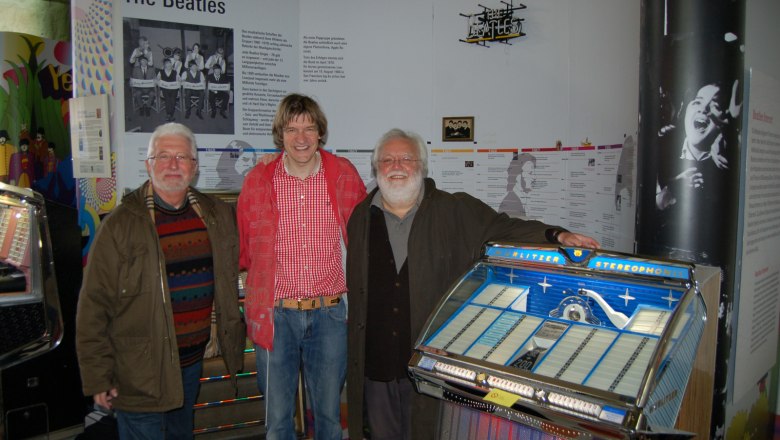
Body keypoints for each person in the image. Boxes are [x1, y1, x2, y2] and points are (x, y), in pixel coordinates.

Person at [345, 128, 599, 440]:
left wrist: (557, 236)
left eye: (406, 158)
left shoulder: (455, 210)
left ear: (421, 167)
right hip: (377, 365)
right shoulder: (360, 217)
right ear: (376, 168)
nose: (396, 166)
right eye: (387, 160)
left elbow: (504, 227)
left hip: (429, 367)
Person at [76, 122, 246, 439]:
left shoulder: (216, 215)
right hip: (140, 369)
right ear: (148, 163)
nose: (172, 165)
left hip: (190, 364)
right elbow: (92, 306)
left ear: (194, 167)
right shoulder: (120, 225)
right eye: (163, 156)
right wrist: (98, 376)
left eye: (181, 157)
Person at [237, 93, 366, 439]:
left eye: (309, 128)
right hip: (275, 315)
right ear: (280, 134)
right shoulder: (258, 181)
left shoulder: (344, 176)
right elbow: (245, 249)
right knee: (278, 421)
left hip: (330, 316)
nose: (301, 138)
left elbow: (365, 241)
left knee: (328, 418)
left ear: (320, 133)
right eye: (292, 129)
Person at [499, 152, 536, 218]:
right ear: (517, 176)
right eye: (530, 173)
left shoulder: (520, 200)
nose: (534, 177)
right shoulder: (509, 205)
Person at [157, 57, 181, 122]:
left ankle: (170, 115)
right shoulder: (160, 72)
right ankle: (169, 114)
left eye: (170, 63)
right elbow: (158, 82)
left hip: (174, 89)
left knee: (173, 99)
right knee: (167, 99)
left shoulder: (175, 72)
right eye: (167, 63)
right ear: (164, 65)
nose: (169, 65)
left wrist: (178, 90)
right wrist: (161, 91)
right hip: (164, 90)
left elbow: (178, 82)